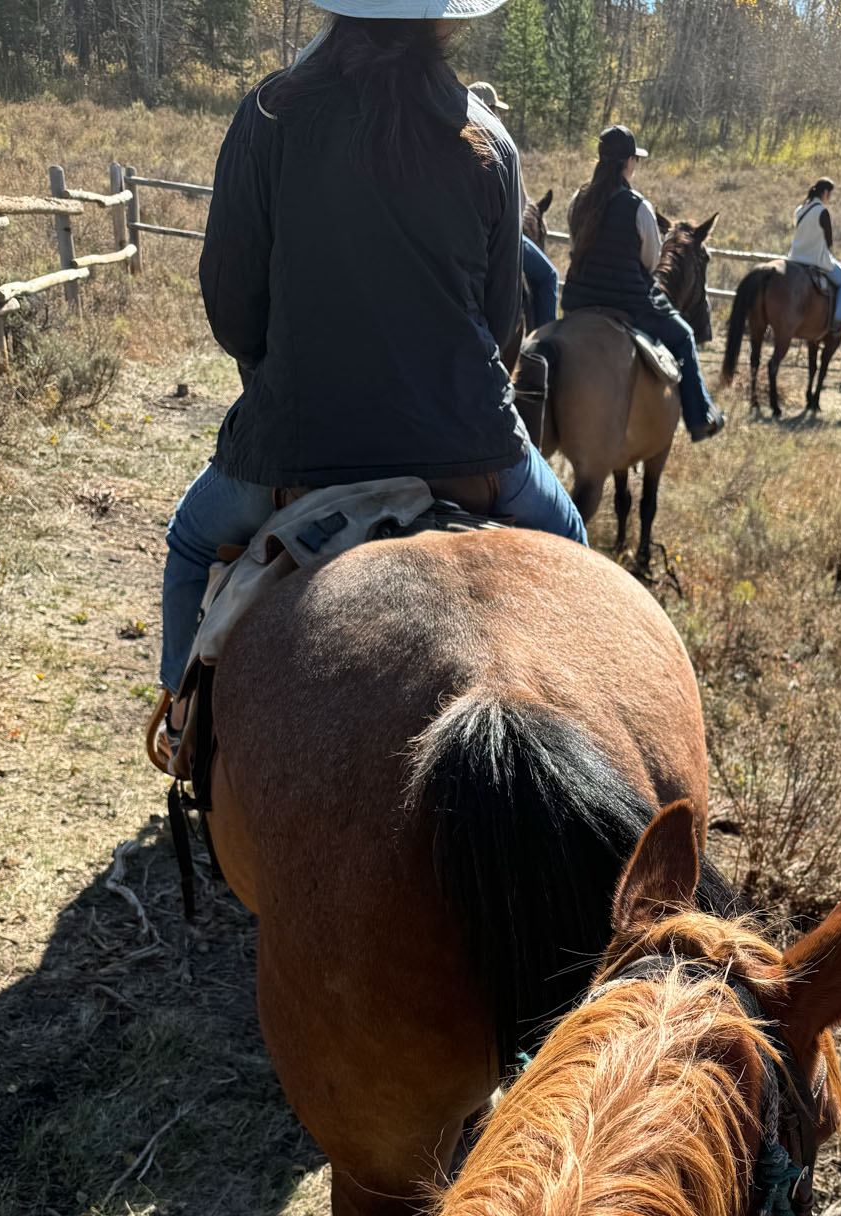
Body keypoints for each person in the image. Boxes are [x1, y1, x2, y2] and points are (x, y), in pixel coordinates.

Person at [158, 0, 585, 724]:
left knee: (191, 544)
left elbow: (233, 314)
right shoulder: (489, 139)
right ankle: (577, 714)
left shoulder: (267, 119)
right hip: (467, 444)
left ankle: (177, 718)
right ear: (444, 19)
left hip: (294, 447)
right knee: (572, 547)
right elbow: (503, 324)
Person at [561, 124, 724, 443]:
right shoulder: (637, 206)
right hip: (630, 303)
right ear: (628, 162)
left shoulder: (577, 200)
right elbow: (652, 261)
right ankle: (700, 417)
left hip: (578, 301)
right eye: (636, 159)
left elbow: (574, 243)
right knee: (683, 335)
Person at [468, 78, 558, 327]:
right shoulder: (501, 147)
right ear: (492, 111)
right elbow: (517, 209)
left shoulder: (447, 140)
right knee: (549, 276)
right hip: (496, 236)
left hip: (453, 233)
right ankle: (539, 350)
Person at [788, 177, 841, 326]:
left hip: (795, 257)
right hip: (815, 258)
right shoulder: (822, 211)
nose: (829, 198)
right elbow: (829, 242)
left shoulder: (799, 210)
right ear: (825, 192)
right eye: (829, 194)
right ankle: (839, 321)